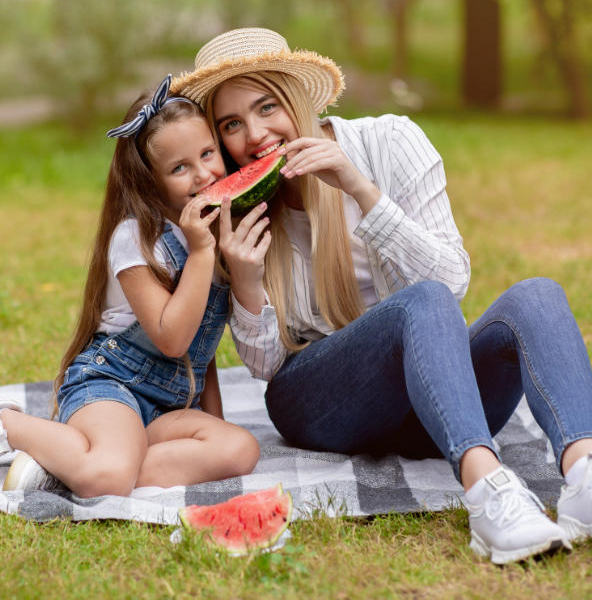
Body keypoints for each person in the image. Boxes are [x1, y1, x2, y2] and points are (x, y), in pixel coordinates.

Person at [169, 28, 592, 564]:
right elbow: (266, 365)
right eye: (231, 124)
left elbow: (452, 279)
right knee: (422, 303)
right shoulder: (237, 209)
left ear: (297, 98)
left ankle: (584, 477)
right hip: (321, 403)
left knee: (535, 295)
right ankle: (489, 495)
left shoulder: (390, 141)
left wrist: (361, 191)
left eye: (267, 106)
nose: (254, 135)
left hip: (436, 402)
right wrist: (247, 280)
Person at [0, 74, 259, 498]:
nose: (203, 175)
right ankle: (12, 425)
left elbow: (202, 348)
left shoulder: (214, 233)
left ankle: (68, 462)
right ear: (150, 181)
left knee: (238, 449)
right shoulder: (136, 239)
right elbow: (174, 339)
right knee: (109, 478)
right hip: (110, 386)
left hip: (168, 407)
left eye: (208, 154)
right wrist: (199, 253)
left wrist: (215, 421)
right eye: (179, 168)